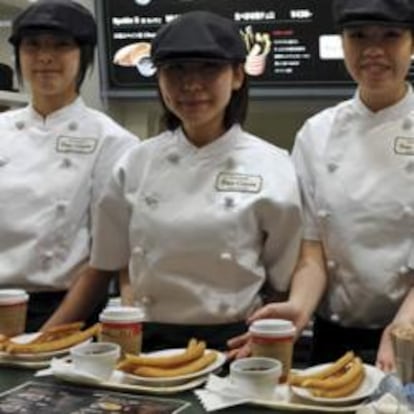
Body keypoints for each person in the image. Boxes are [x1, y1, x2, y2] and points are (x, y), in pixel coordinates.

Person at [90, 10, 302, 351]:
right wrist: (131, 309)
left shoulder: (273, 165)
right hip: (146, 338)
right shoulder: (135, 162)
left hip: (235, 340)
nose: (190, 85)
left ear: (237, 75)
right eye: (175, 70)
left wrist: (264, 336)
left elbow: (283, 278)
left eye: (208, 68)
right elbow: (118, 260)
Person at [229, 0, 414, 371]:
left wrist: (405, 325)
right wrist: (298, 308)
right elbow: (312, 250)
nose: (373, 50)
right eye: (358, 36)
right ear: (342, 43)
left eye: (390, 36)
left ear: (411, 42)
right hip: (334, 335)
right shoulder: (317, 133)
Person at [2, 0, 139, 332]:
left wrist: (49, 334)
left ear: (83, 56)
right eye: (33, 45)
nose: (45, 57)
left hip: (63, 309)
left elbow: (104, 259)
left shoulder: (114, 141)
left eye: (61, 45)